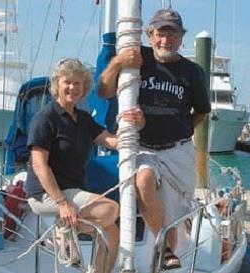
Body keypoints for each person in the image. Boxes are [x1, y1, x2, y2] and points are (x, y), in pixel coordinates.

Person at [98, 9, 211, 270]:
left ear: (181, 38)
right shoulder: (138, 58)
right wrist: (117, 63)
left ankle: (171, 245)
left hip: (177, 152)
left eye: (172, 35)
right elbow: (103, 91)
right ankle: (166, 248)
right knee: (143, 179)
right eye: (160, 34)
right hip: (144, 148)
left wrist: (180, 130)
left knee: (174, 214)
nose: (165, 41)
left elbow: (202, 112)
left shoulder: (192, 72)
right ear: (150, 35)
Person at [25, 58, 145, 273]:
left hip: (72, 191)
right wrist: (62, 204)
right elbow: (39, 165)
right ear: (57, 84)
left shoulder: (82, 118)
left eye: (77, 83)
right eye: (67, 82)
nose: (72, 87)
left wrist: (132, 128)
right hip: (46, 194)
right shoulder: (45, 118)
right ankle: (63, 229)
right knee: (111, 209)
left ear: (84, 88)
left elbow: (107, 140)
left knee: (112, 234)